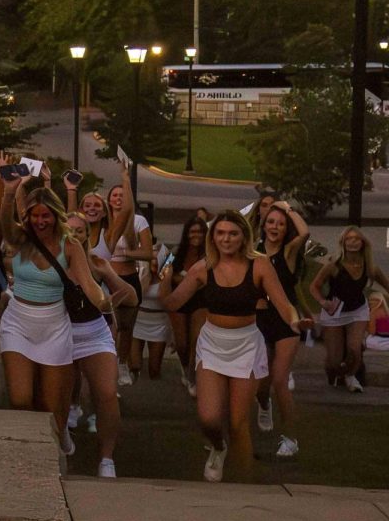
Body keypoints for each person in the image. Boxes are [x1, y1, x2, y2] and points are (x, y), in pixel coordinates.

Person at [163, 210, 304, 482]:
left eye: (232, 233)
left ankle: (243, 486)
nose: (226, 239)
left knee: (239, 423)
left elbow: (284, 304)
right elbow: (173, 303)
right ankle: (218, 446)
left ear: (243, 237)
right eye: (220, 233)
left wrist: (297, 321)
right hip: (213, 344)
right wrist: (163, 280)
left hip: (247, 344)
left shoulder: (260, 265)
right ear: (213, 237)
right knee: (209, 419)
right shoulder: (203, 268)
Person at [0, 151, 110, 449]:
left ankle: (57, 444)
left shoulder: (69, 245)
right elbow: (3, 224)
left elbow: (87, 284)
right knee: (21, 398)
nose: (40, 221)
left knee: (51, 405)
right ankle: (28, 450)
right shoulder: (21, 238)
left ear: (56, 216)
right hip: (19, 322)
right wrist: (10, 192)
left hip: (54, 327)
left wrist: (103, 303)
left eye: (46, 215)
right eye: (35, 215)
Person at [64, 210, 137, 477]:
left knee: (106, 394)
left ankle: (107, 458)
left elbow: (131, 297)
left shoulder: (96, 262)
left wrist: (111, 289)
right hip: (61, 332)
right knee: (61, 394)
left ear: (87, 234)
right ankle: (61, 434)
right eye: (69, 229)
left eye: (79, 230)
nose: (74, 234)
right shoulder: (55, 261)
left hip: (95, 332)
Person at [254, 201, 309, 457]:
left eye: (281, 223)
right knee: (262, 381)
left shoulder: (288, 251)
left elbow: (305, 232)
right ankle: (263, 403)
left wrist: (287, 209)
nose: (275, 226)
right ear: (263, 226)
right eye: (271, 222)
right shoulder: (252, 252)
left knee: (280, 380)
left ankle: (291, 439)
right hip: (260, 321)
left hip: (287, 321)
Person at [309, 226, 388, 393]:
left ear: (362, 243)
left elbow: (386, 285)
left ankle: (351, 376)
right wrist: (323, 302)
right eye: (348, 239)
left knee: (354, 348)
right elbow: (314, 287)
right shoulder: (333, 265)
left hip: (357, 310)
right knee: (333, 362)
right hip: (334, 311)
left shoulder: (369, 267)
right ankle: (336, 373)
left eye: (356, 239)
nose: (352, 242)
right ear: (343, 243)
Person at [98, 177, 151, 387]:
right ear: (109, 200)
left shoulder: (138, 221)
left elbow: (148, 253)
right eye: (115, 195)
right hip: (107, 278)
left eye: (122, 195)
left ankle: (122, 363)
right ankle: (106, 366)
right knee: (109, 326)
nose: (118, 198)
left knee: (126, 327)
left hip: (128, 278)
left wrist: (126, 252)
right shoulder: (103, 221)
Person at [169, 215, 209, 396]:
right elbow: (166, 274)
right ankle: (185, 368)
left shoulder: (210, 254)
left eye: (200, 231)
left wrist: (194, 283)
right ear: (186, 234)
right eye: (193, 231)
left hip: (201, 300)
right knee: (182, 343)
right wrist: (186, 281)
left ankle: (193, 377)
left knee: (196, 341)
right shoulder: (177, 253)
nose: (196, 235)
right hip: (179, 298)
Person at [133, 251, 172, 380]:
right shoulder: (141, 273)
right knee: (135, 365)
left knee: (154, 369)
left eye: (157, 259)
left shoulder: (167, 278)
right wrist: (147, 275)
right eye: (151, 259)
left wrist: (166, 276)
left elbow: (165, 299)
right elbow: (137, 296)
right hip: (138, 322)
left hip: (159, 324)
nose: (154, 262)